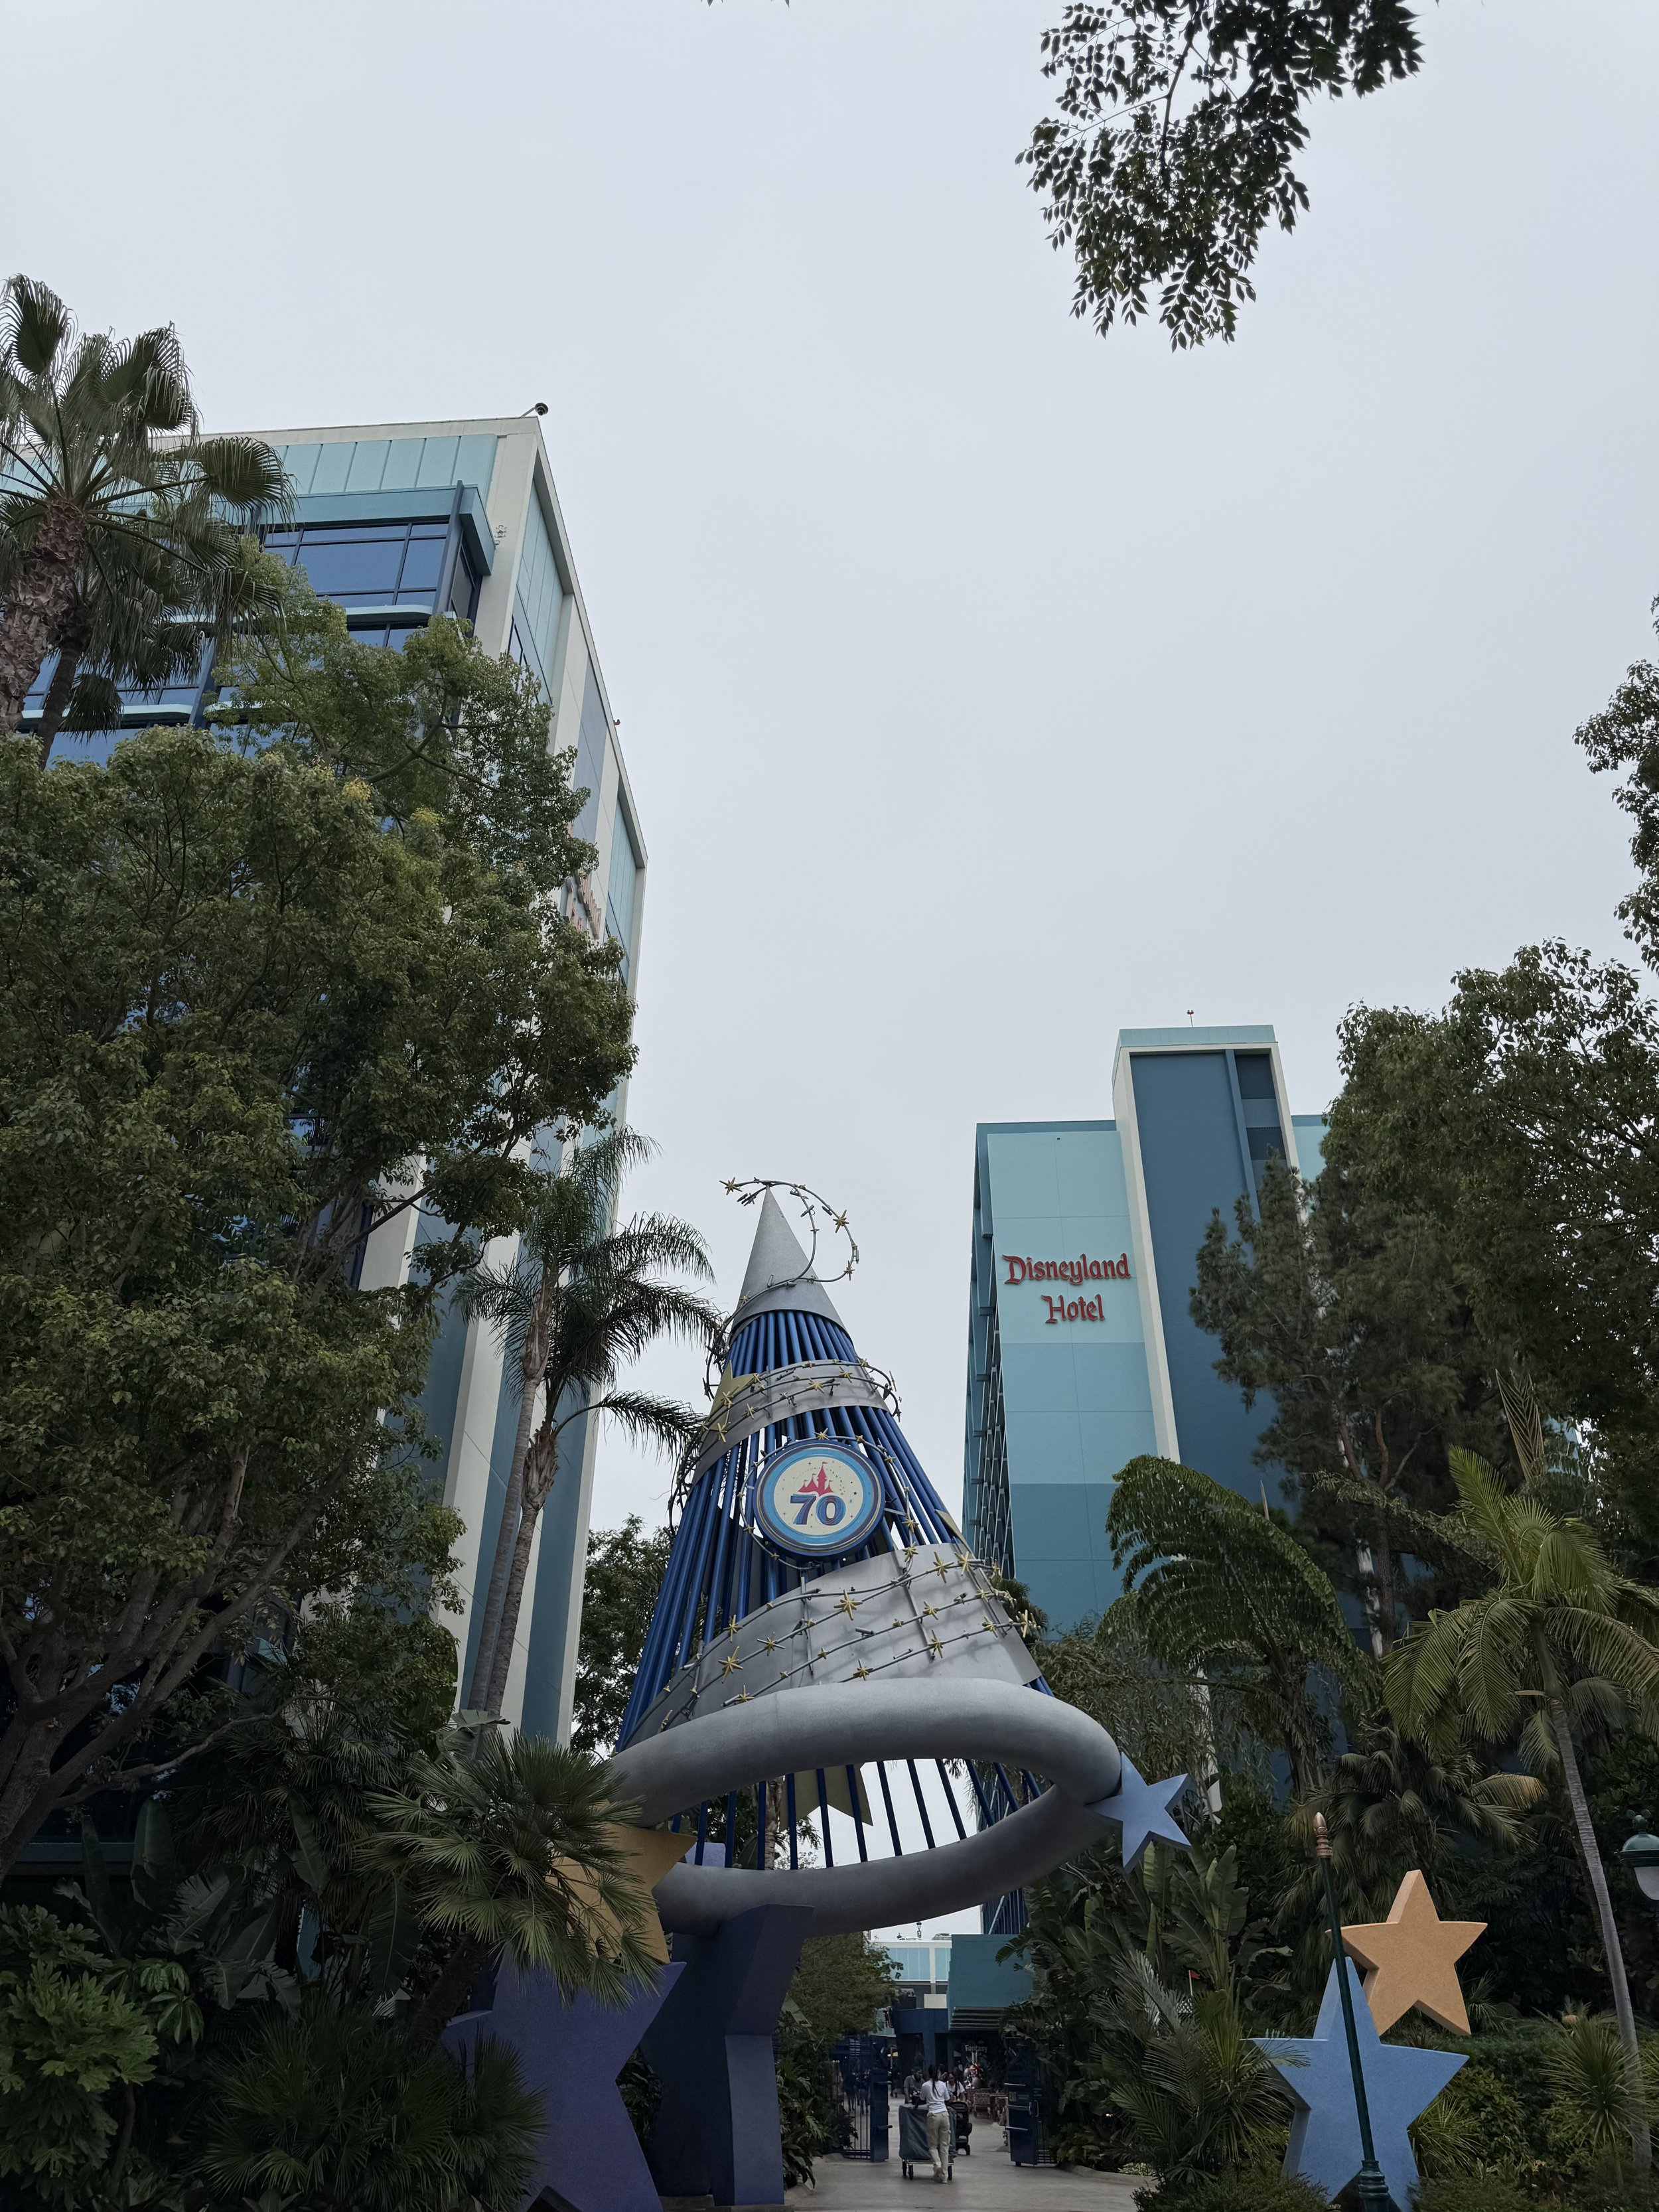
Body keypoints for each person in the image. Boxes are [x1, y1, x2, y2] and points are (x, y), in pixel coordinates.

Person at [922, 2065, 952, 2182]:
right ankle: (944, 2176)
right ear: (938, 2073)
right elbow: (947, 2099)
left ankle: (938, 2165)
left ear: (929, 2074)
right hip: (945, 2115)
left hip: (933, 2116)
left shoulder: (925, 2085)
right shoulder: (943, 2085)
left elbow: (922, 2098)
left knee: (933, 2146)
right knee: (944, 2146)